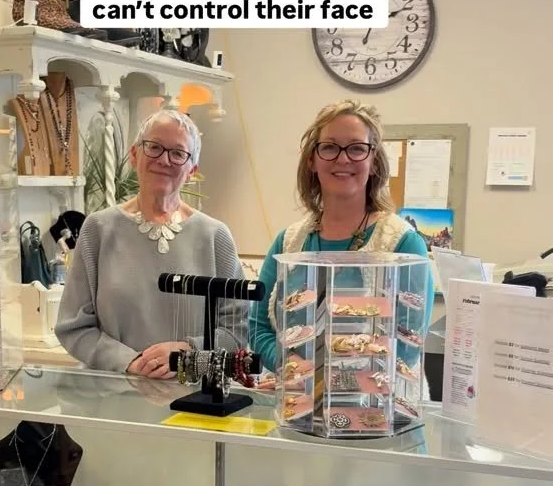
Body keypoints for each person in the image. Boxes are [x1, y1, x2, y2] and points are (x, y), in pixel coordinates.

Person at [55, 109, 246, 378]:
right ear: (135, 155)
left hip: (194, 396)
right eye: (154, 147)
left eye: (178, 153)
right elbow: (73, 327)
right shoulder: (98, 230)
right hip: (113, 394)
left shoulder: (215, 236)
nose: (164, 160)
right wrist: (132, 362)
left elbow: (237, 332)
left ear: (192, 170)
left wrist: (187, 355)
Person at [250, 99, 434, 374]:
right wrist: (294, 367)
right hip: (298, 394)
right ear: (312, 160)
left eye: (357, 148)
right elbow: (258, 327)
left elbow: (408, 346)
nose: (343, 158)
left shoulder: (403, 244)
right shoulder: (287, 242)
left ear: (374, 162)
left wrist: (334, 381)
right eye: (330, 147)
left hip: (377, 396)